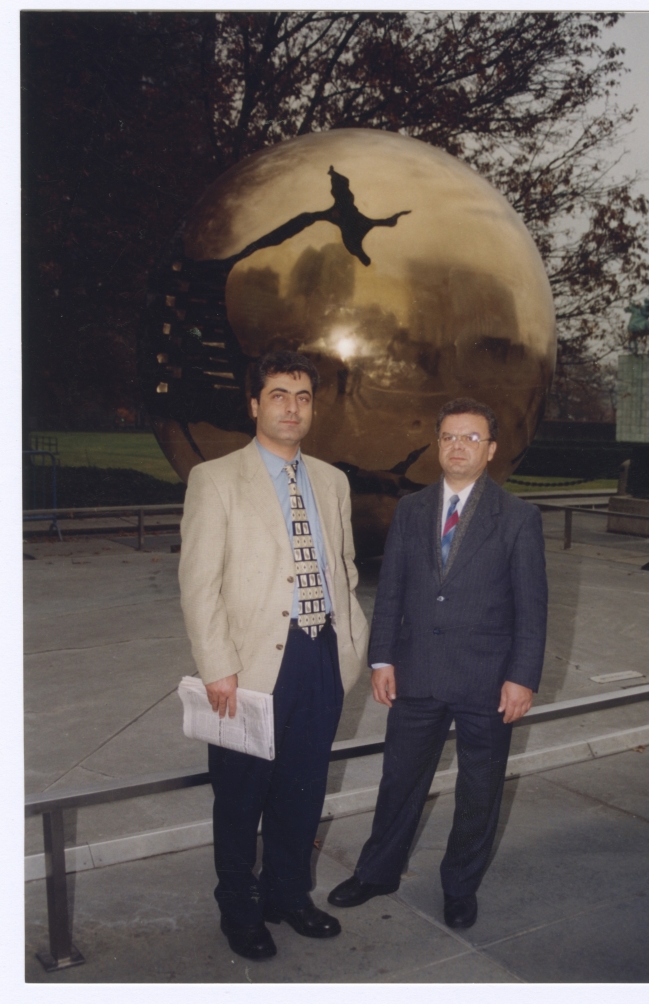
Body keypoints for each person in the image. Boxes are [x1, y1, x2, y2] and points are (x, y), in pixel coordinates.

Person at [328, 397, 547, 930]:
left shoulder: (519, 518)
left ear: (490, 450)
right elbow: (392, 590)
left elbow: (531, 606)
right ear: (438, 444)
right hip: (417, 671)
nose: (458, 446)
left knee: (479, 790)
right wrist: (382, 658)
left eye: (471, 438)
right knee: (399, 781)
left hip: (487, 680)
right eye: (449, 436)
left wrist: (522, 677)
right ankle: (377, 872)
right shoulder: (412, 509)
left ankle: (459, 887)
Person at [179, 350, 368, 961]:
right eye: (280, 395)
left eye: (303, 397)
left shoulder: (332, 481)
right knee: (240, 797)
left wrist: (351, 642)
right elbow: (199, 584)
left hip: (322, 656)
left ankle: (288, 894)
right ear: (255, 404)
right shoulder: (215, 479)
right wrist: (218, 666)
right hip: (250, 666)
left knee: (303, 790)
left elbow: (344, 567)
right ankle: (239, 908)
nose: (293, 408)